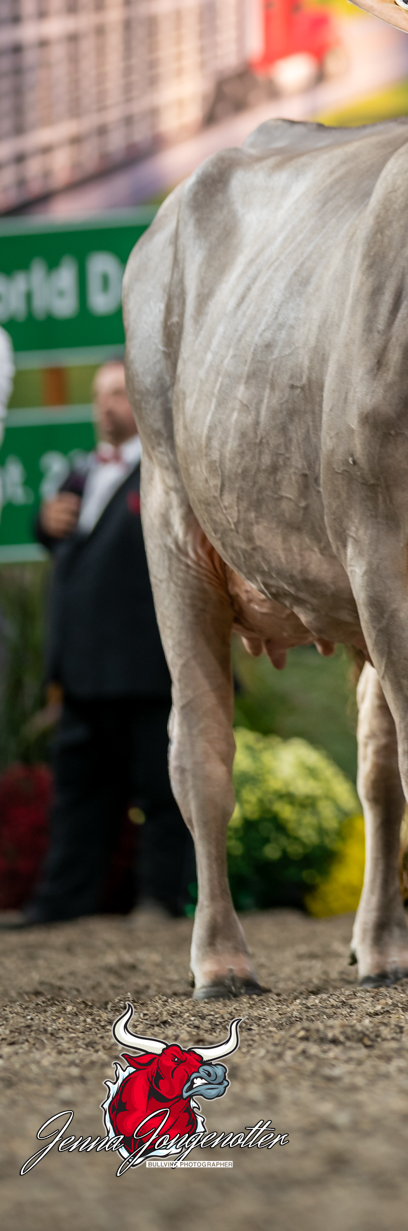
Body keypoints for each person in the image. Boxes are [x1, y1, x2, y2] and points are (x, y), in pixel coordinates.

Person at [9, 359, 193, 926]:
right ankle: (61, 903)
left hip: (147, 666)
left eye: (117, 393)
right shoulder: (80, 473)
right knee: (79, 794)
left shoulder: (167, 473)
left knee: (162, 789)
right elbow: (68, 547)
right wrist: (43, 524)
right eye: (99, 394)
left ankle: (160, 900)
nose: (105, 405)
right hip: (83, 671)